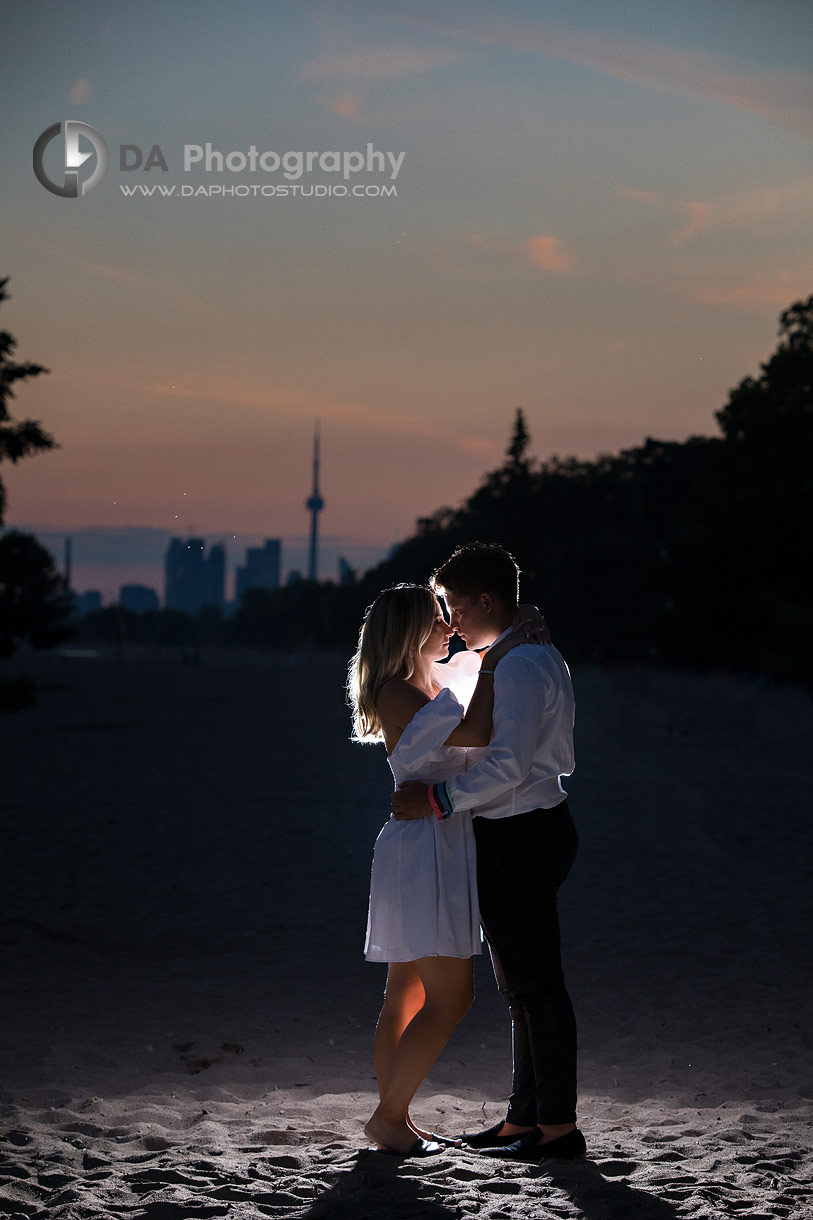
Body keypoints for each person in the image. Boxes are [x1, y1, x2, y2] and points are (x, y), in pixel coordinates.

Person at [392, 543, 584, 1162]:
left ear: (486, 600)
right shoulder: (522, 654)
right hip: (525, 830)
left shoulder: (524, 664)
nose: (449, 620)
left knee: (537, 989)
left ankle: (555, 1129)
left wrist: (438, 798)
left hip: (524, 832)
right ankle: (523, 1121)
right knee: (523, 988)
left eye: (453, 605)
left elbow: (507, 765)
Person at [347, 583, 543, 1157]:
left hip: (437, 838)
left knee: (404, 993)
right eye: (437, 619)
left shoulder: (431, 683)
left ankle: (395, 1122)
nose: (449, 627)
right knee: (451, 997)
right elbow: (478, 733)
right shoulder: (398, 693)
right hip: (423, 848)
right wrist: (497, 660)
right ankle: (389, 1118)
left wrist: (494, 653)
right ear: (409, 631)